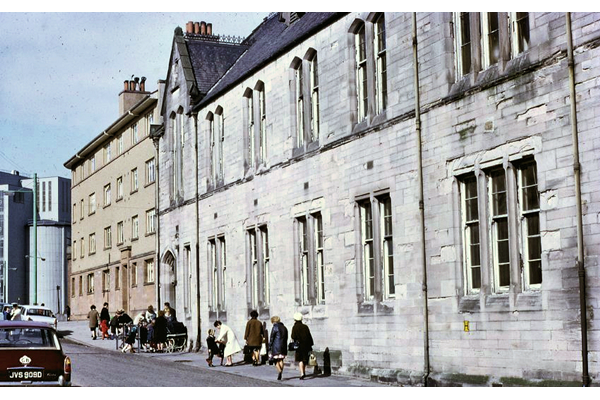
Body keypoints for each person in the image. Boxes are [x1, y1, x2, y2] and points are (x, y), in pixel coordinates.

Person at [291, 312, 314, 380]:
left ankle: (302, 373)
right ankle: (304, 371)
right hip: (306, 345)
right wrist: (311, 345)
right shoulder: (305, 326)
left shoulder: (295, 327)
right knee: (304, 359)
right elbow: (309, 336)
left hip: (299, 346)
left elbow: (293, 336)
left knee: (300, 360)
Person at [269, 316, 288, 380]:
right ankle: (281, 372)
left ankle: (279, 371)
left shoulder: (275, 327)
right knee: (281, 359)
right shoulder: (284, 328)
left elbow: (272, 338)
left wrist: (269, 346)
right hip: (283, 346)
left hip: (276, 346)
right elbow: (286, 338)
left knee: (275, 360)